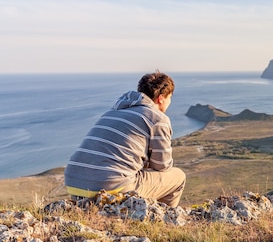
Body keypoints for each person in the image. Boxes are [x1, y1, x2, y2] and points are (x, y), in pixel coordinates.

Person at [64, 71, 186, 207]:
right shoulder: (157, 118)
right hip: (112, 186)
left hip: (75, 183)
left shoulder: (112, 112)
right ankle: (163, 220)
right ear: (161, 98)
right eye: (170, 97)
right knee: (178, 177)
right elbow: (162, 166)